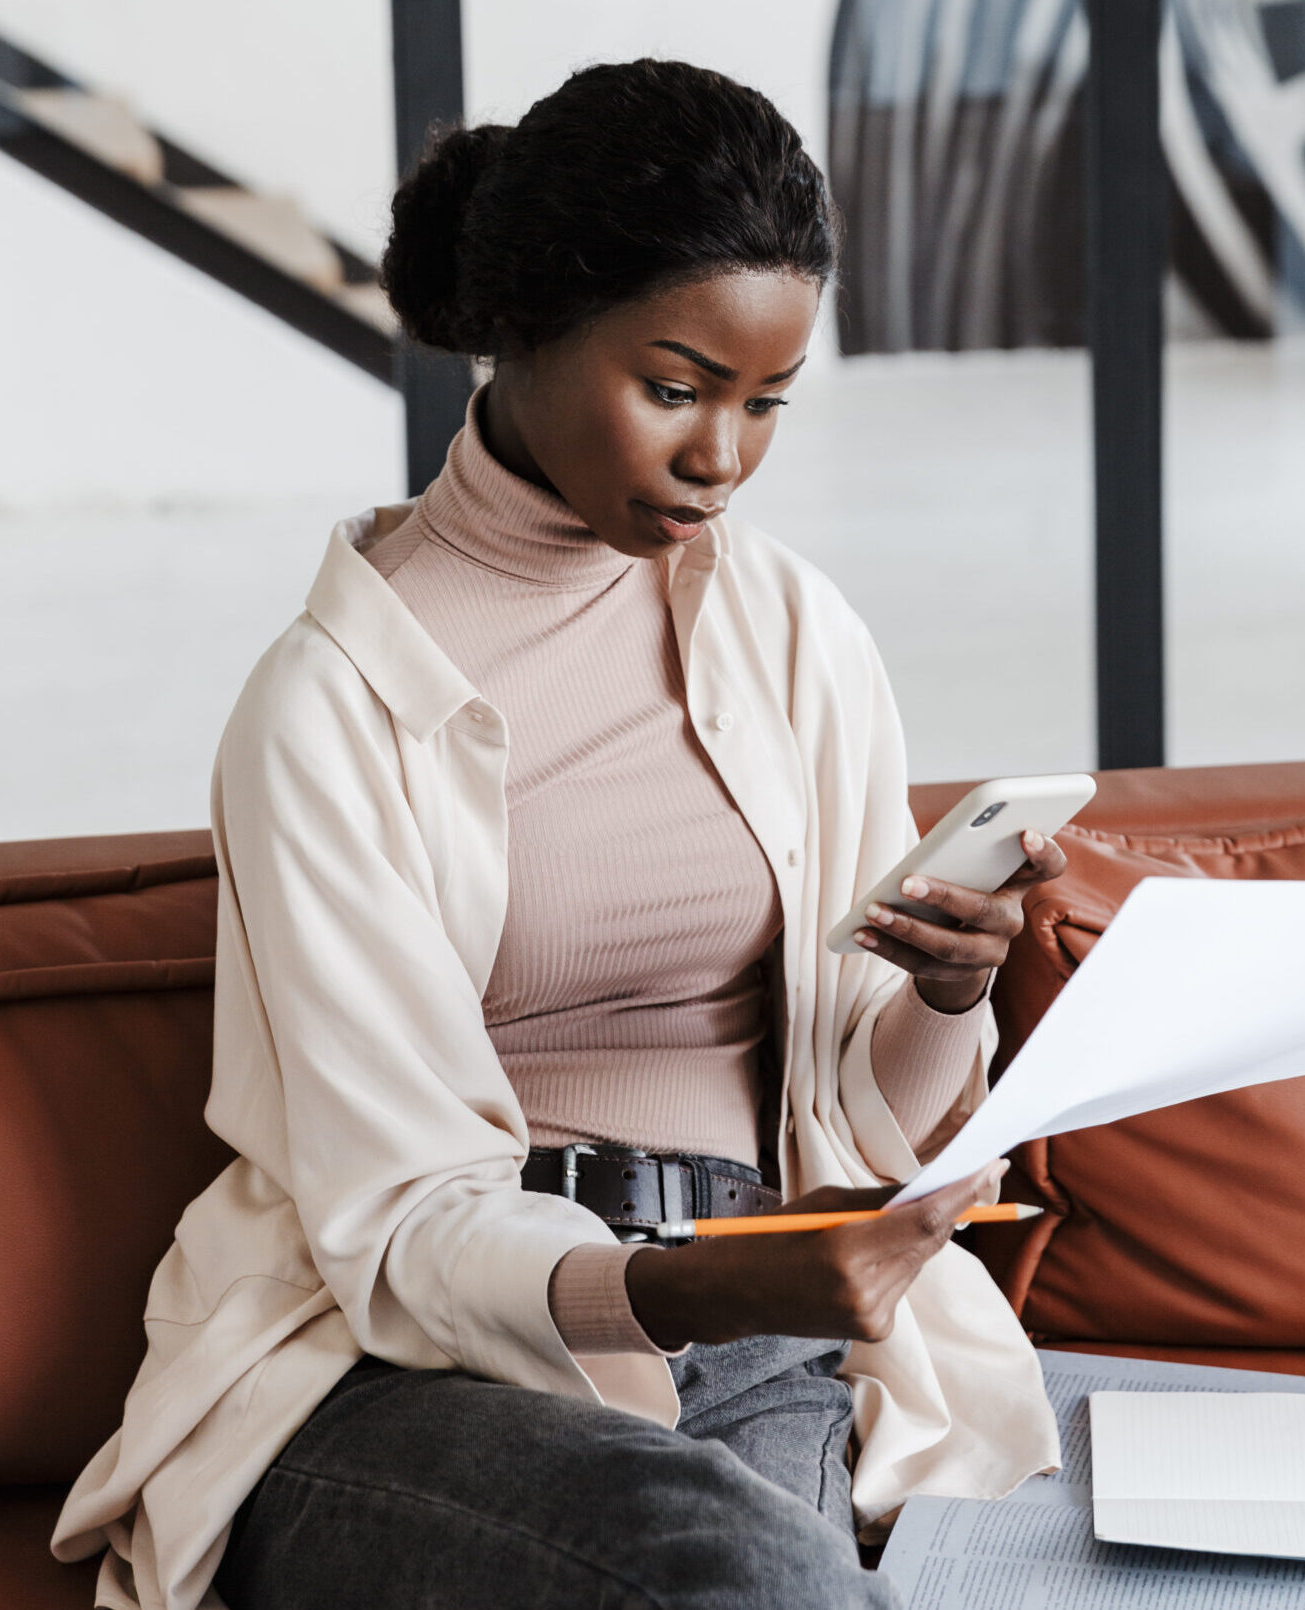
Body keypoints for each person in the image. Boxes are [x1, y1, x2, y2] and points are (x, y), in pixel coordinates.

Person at [52, 57, 1065, 1610]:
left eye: (766, 404)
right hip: (397, 1368)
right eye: (675, 387)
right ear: (524, 322)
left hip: (764, 1327)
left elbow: (869, 1121)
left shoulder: (800, 638)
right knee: (738, 1569)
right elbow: (393, 1231)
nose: (720, 458)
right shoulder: (326, 709)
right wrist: (684, 1282)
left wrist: (945, 995)